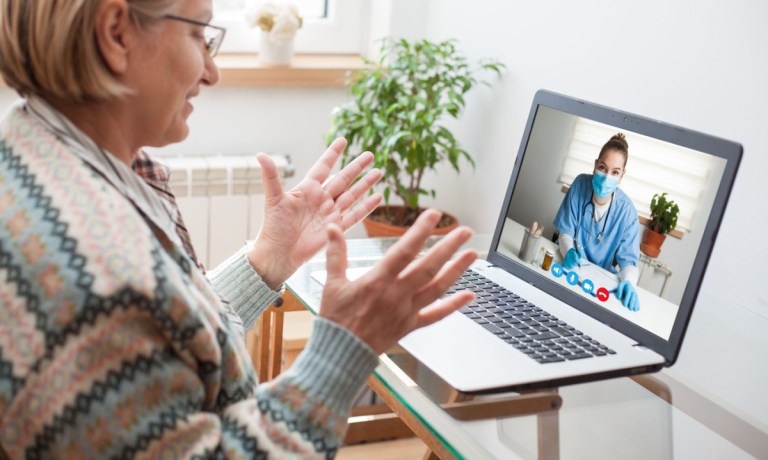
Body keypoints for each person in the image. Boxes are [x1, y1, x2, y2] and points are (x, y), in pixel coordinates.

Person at [0, 1, 479, 458]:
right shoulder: (93, 271)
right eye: (198, 34)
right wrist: (344, 348)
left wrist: (268, 259)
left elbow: (163, 340)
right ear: (115, 33)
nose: (212, 71)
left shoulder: (40, 150)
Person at [553, 133, 641, 311]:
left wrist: (629, 282)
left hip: (594, 286)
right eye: (603, 167)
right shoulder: (579, 185)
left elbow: (629, 263)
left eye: (615, 172)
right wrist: (568, 250)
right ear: (595, 166)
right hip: (567, 270)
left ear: (622, 175)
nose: (607, 176)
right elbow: (566, 232)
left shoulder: (628, 214)